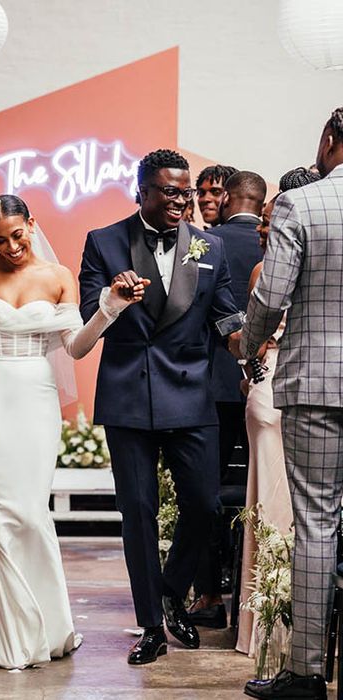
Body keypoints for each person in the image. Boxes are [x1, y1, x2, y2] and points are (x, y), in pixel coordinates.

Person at [0, 194, 147, 669]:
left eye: (17, 235)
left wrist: (110, 308)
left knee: (31, 512)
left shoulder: (59, 278)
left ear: (31, 225)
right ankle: (4, 638)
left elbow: (76, 349)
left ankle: (48, 626)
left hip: (36, 401)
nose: (11, 246)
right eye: (0, 239)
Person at [80, 149, 240, 665]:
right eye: (170, 191)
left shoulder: (208, 245)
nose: (181, 200)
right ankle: (151, 624)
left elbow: (226, 317)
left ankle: (170, 588)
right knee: (139, 513)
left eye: (186, 192)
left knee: (204, 505)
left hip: (192, 394)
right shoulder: (104, 242)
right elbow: (86, 320)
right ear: (142, 191)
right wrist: (112, 298)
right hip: (129, 396)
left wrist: (254, 338)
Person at [240, 110, 343, 700]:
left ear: (331, 139)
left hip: (316, 387)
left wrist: (248, 344)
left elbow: (272, 294)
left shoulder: (301, 205)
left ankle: (305, 672)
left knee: (317, 525)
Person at [235, 167, 319, 657]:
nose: (264, 229)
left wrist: (249, 358)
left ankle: (269, 629)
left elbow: (256, 330)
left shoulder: (269, 271)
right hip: (313, 386)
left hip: (271, 383)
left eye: (269, 220)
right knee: (307, 512)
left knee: (272, 504)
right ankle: (297, 631)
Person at [190, 171, 266, 627]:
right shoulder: (274, 243)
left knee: (208, 493)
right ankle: (264, 593)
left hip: (212, 385)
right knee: (265, 488)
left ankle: (210, 596)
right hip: (265, 383)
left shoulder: (205, 244)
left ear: (230, 197)